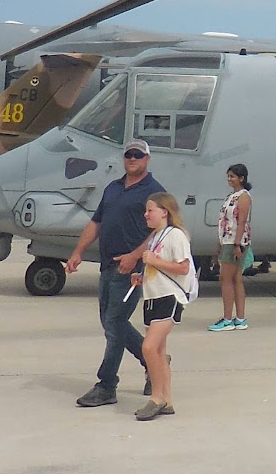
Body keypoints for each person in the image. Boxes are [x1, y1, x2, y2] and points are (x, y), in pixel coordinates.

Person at [68, 139, 166, 408]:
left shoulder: (155, 193)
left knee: (115, 323)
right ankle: (153, 361)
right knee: (111, 323)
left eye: (138, 155)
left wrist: (134, 256)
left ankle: (107, 385)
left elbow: (160, 233)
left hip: (132, 269)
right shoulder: (113, 188)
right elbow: (96, 222)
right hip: (108, 265)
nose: (132, 159)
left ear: (147, 159)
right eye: (128, 155)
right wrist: (77, 252)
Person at [131, 192, 193, 420]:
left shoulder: (176, 235)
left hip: (169, 297)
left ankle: (156, 398)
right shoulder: (156, 237)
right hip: (152, 297)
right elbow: (159, 267)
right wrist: (142, 276)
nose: (146, 215)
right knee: (158, 350)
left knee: (148, 347)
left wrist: (154, 261)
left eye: (150, 210)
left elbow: (183, 268)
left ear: (164, 212)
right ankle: (167, 400)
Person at [210, 164, 253, 331]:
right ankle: (239, 318)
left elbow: (241, 221)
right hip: (227, 240)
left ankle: (227, 319)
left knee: (226, 278)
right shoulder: (232, 196)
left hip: (234, 242)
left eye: (233, 176)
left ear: (241, 178)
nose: (229, 179)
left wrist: (237, 244)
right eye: (228, 176)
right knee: (235, 279)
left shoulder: (243, 197)